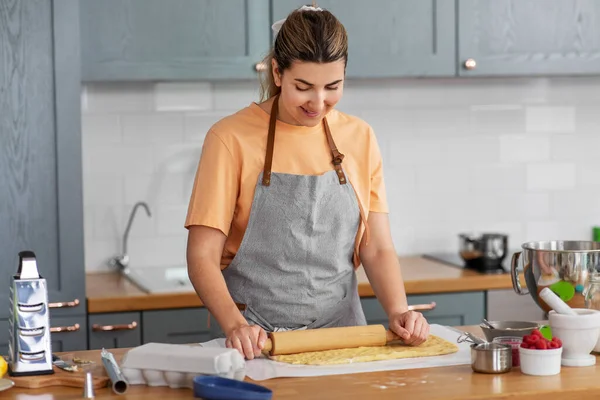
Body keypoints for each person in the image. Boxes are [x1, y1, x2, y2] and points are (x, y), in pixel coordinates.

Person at [185, 4, 430, 360]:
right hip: (257, 342)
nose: (318, 103)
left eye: (333, 86)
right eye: (304, 87)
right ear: (278, 72)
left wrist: (399, 311)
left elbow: (375, 247)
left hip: (342, 339)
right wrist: (235, 325)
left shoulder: (359, 137)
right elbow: (202, 256)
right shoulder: (229, 138)